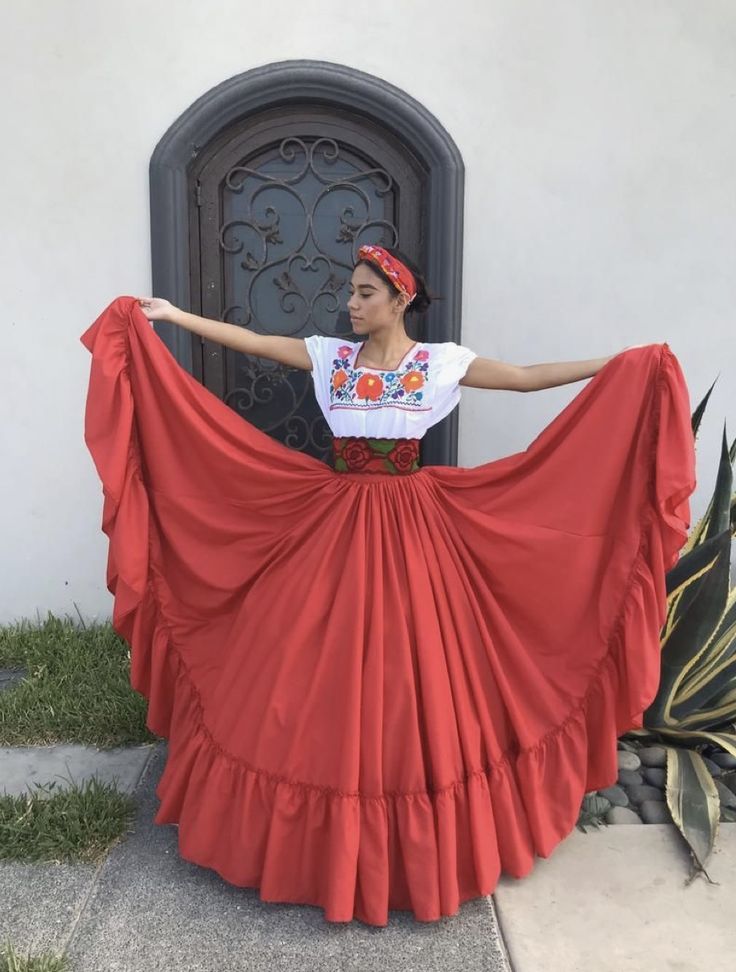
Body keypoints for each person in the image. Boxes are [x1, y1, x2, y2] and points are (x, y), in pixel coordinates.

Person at [80, 244, 696, 927]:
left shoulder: (439, 365)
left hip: (412, 529)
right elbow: (255, 341)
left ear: (400, 301)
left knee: (415, 671)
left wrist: (622, 363)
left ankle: (418, 844)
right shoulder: (332, 359)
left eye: (365, 292)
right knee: (312, 664)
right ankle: (312, 843)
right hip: (334, 525)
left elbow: (524, 378)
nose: (351, 302)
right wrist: (176, 317)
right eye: (352, 291)